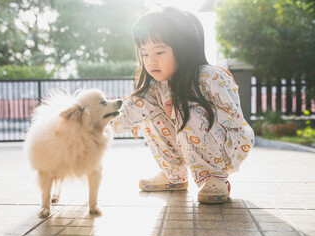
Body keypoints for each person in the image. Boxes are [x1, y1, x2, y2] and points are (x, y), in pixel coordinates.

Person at [109, 7, 255, 203]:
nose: (151, 61)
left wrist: (182, 109)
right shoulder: (155, 86)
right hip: (188, 143)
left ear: (183, 49)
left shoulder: (209, 77)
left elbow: (234, 120)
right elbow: (133, 109)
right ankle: (174, 175)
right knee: (147, 111)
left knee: (188, 113)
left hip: (226, 147)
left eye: (159, 51)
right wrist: (100, 123)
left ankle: (215, 177)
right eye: (145, 54)